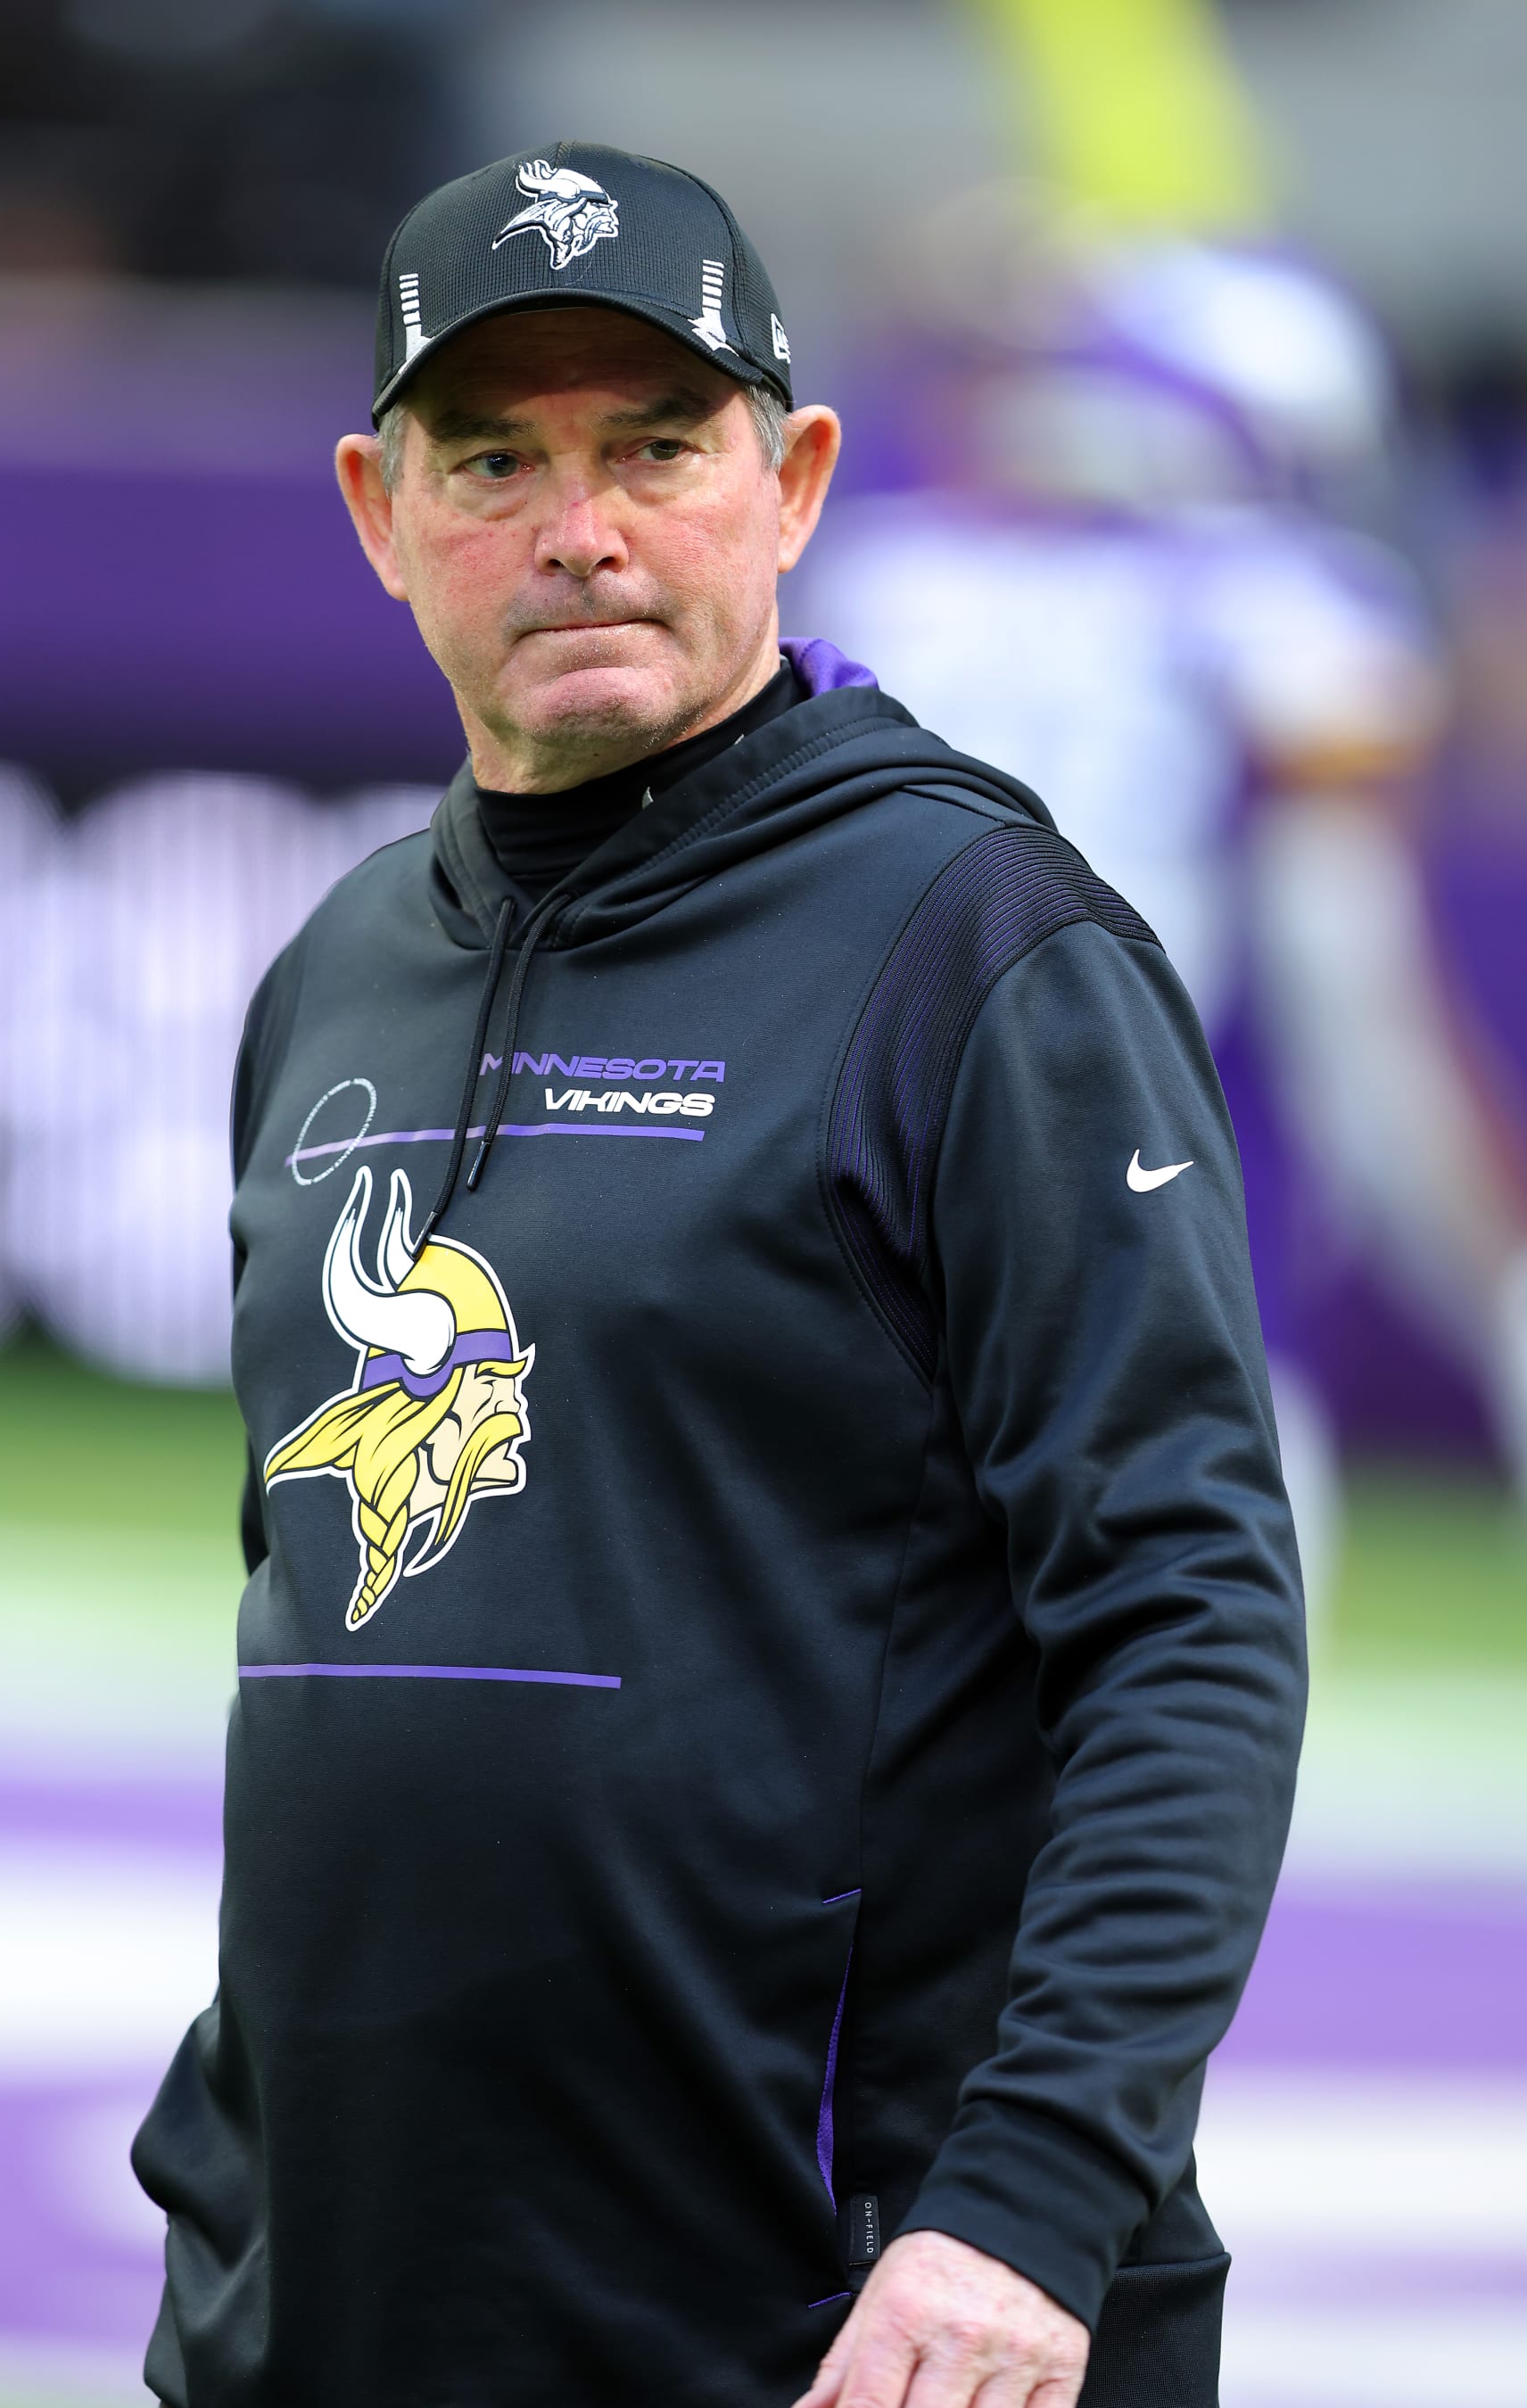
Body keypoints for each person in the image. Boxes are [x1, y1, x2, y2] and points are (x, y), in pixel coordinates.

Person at [132, 144, 1306, 2408]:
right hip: (343, 2306)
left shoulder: (982, 945)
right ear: (381, 515)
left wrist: (1029, 2209)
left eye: (656, 447)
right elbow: (331, 1636)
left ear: (794, 482)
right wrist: (242, 2199)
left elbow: (1190, 1622)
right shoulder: (333, 976)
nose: (581, 526)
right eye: (498, 460)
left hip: (850, 2322)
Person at [799, 218, 1527, 1613]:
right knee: (1187, 1718)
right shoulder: (1287, 620)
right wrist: (1497, 1288)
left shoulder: (877, 580)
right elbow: (1357, 1019)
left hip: (857, 1183)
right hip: (1142, 1211)